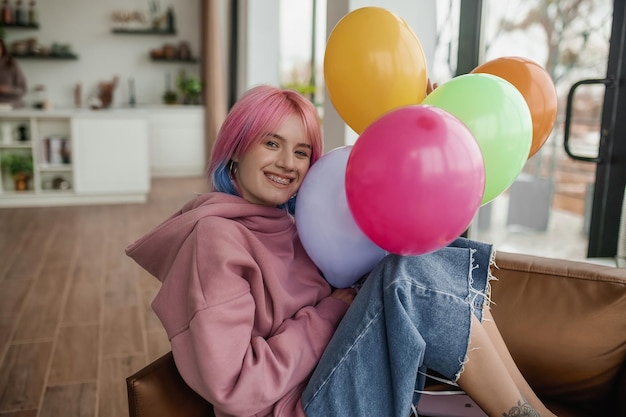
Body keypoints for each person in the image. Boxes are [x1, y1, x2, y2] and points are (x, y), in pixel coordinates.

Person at [126, 85, 557, 417]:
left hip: (327, 376)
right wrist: (331, 312)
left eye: (301, 151)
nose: (288, 164)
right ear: (236, 150)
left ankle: (535, 409)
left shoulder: (294, 224)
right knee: (408, 274)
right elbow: (234, 386)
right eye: (271, 144)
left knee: (427, 254)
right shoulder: (214, 240)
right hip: (293, 408)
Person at [0, 38, 27, 108]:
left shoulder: (11, 65)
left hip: (10, 105)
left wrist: (6, 89)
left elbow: (23, 90)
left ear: (2, 49)